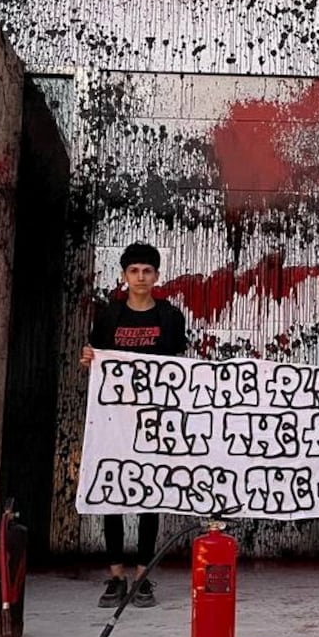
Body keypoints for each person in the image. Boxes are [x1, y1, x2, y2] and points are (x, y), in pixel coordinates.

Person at [79, 242, 188, 609]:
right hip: (113, 421)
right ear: (124, 276)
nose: (141, 277)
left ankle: (142, 575)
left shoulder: (171, 318)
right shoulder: (109, 316)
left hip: (153, 420)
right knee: (112, 492)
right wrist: (89, 359)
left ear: (157, 276)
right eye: (134, 271)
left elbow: (180, 369)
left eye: (147, 271)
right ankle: (115, 577)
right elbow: (93, 360)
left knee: (148, 496)